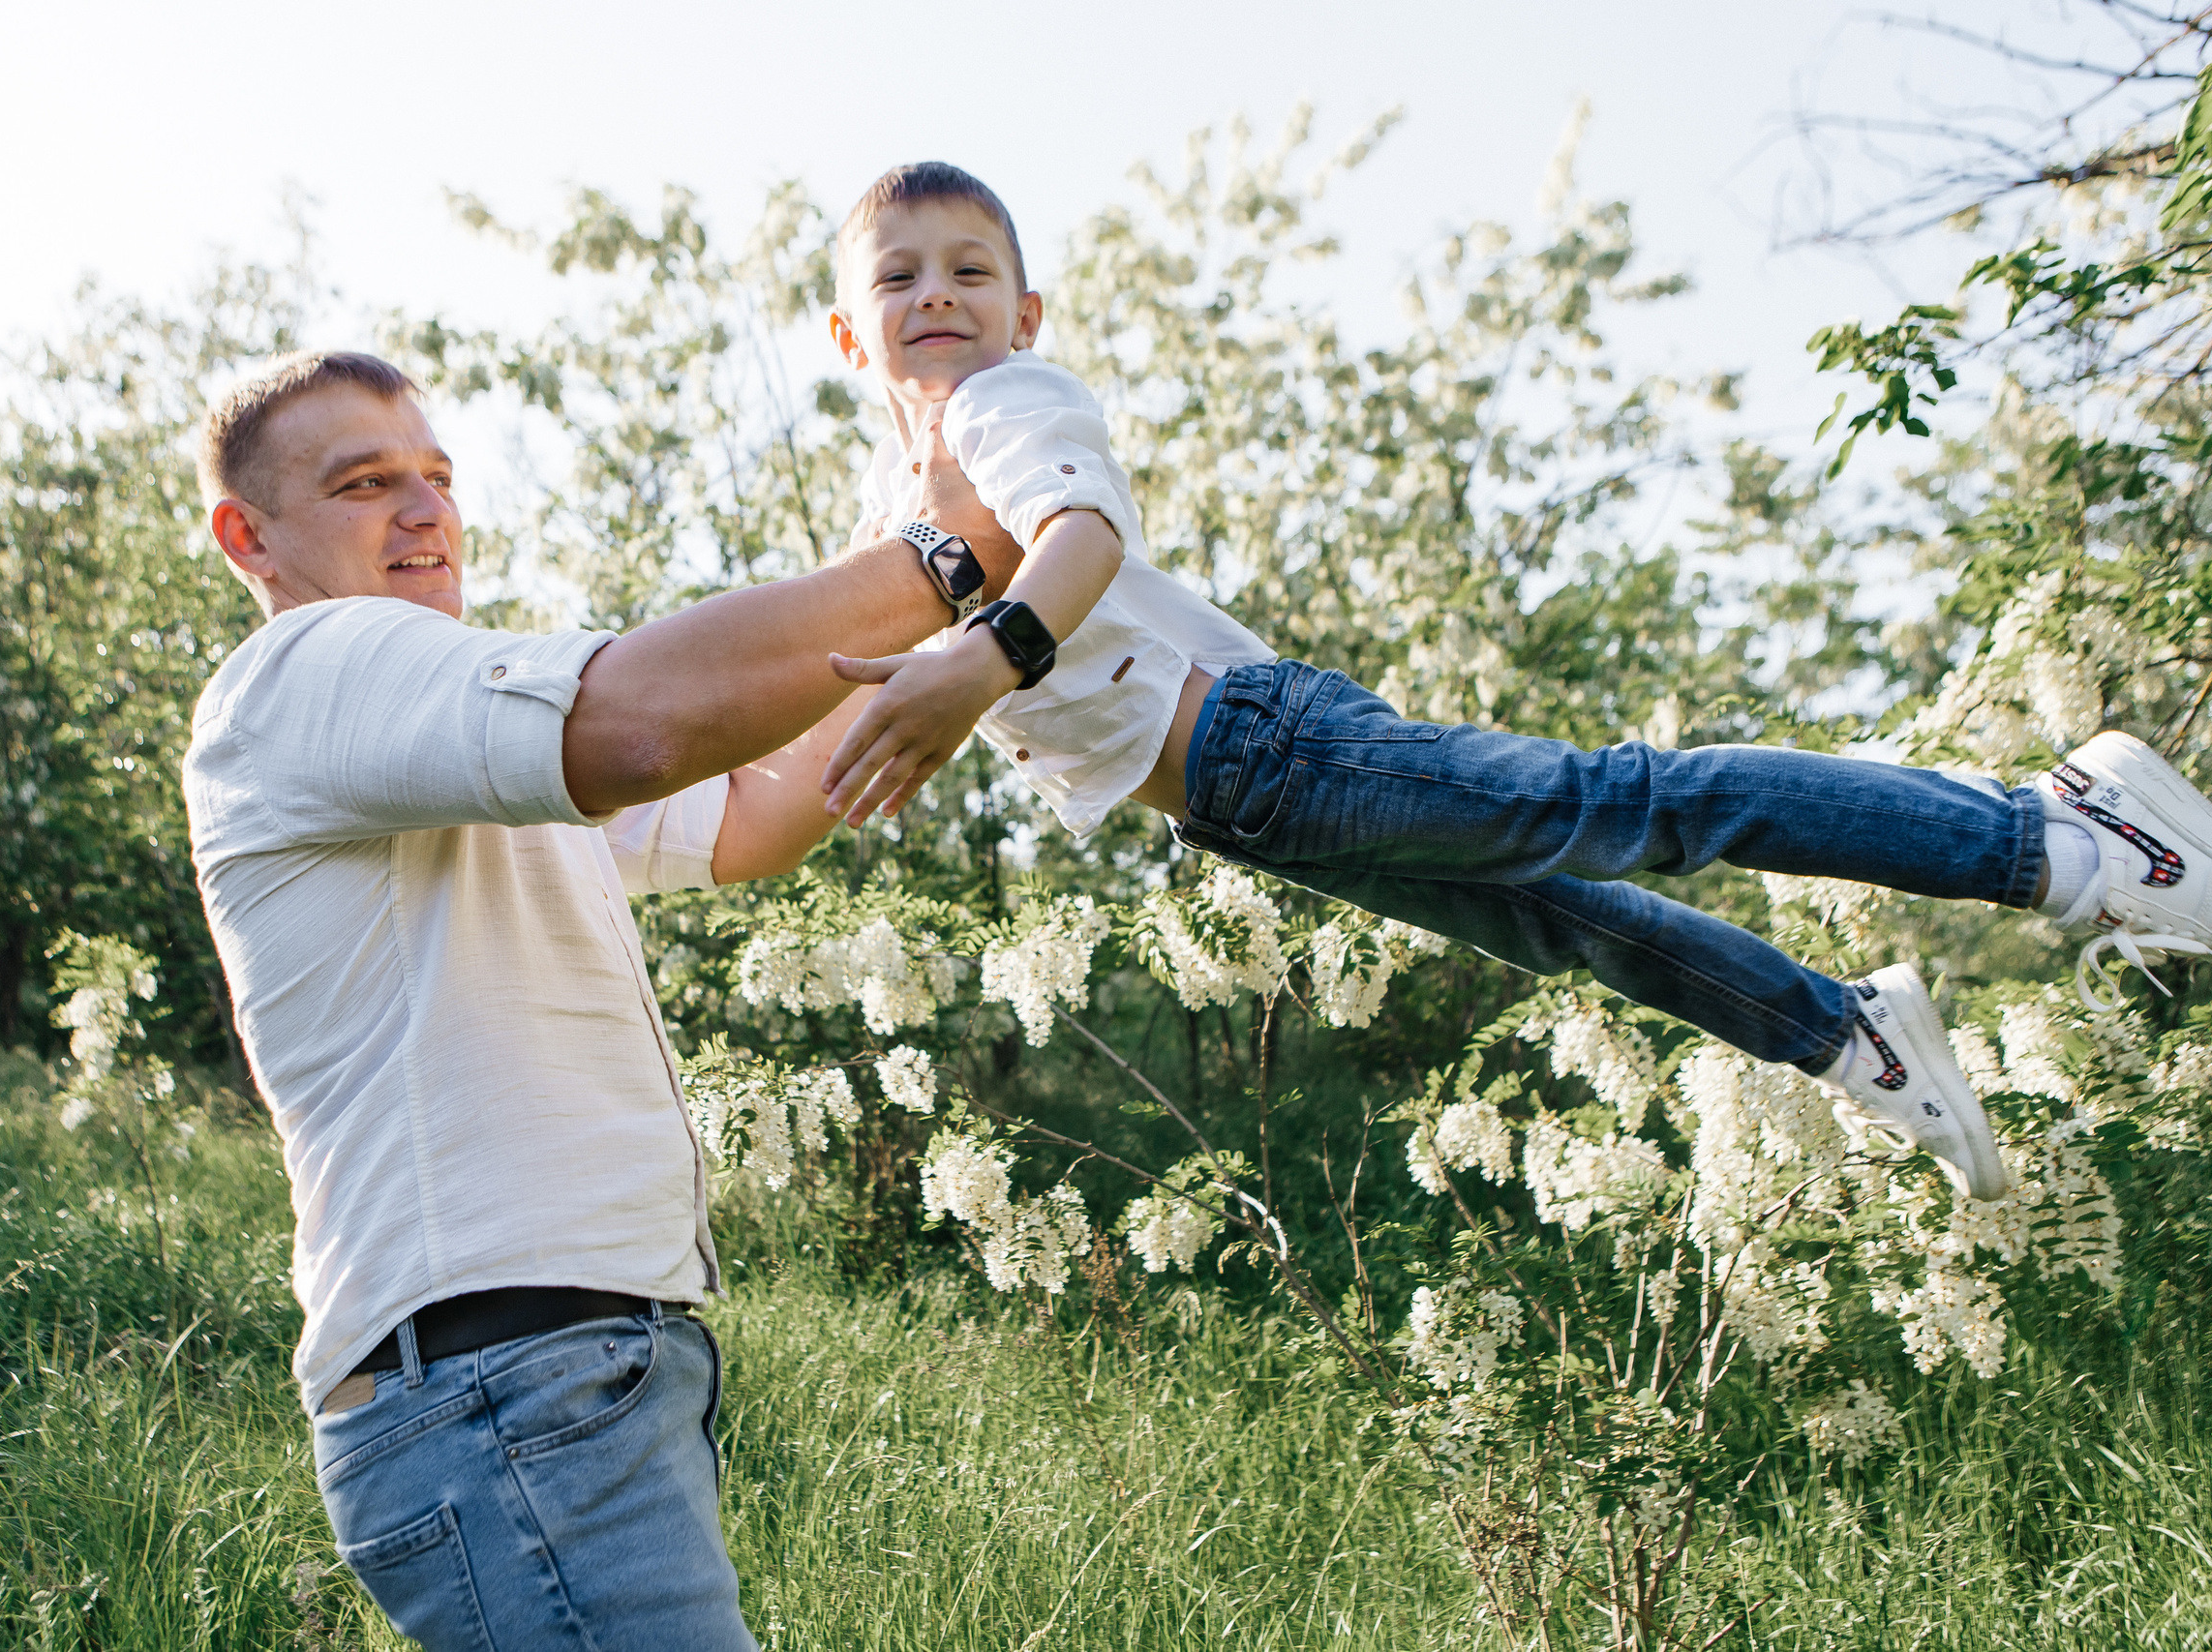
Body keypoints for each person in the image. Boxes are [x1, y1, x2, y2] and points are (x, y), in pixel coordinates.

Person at [812, 161, 2212, 1204]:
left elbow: (1083, 537)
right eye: (898, 276)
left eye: (968, 270)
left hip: (1267, 749)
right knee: (1568, 923)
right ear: (847, 333)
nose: (936, 293)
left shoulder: (1006, 402)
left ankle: (2064, 837)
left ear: (1025, 310)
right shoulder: (900, 491)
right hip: (1233, 804)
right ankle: (1841, 1029)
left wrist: (979, 659)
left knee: (1635, 803)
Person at [182, 349, 1015, 1650]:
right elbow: (644, 722)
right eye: (363, 483)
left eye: (437, 478)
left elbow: (752, 809)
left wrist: (942, 625)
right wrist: (949, 554)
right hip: (503, 1382)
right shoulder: (315, 673)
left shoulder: (441, 742)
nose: (424, 513)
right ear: (252, 537)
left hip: (557, 1375)